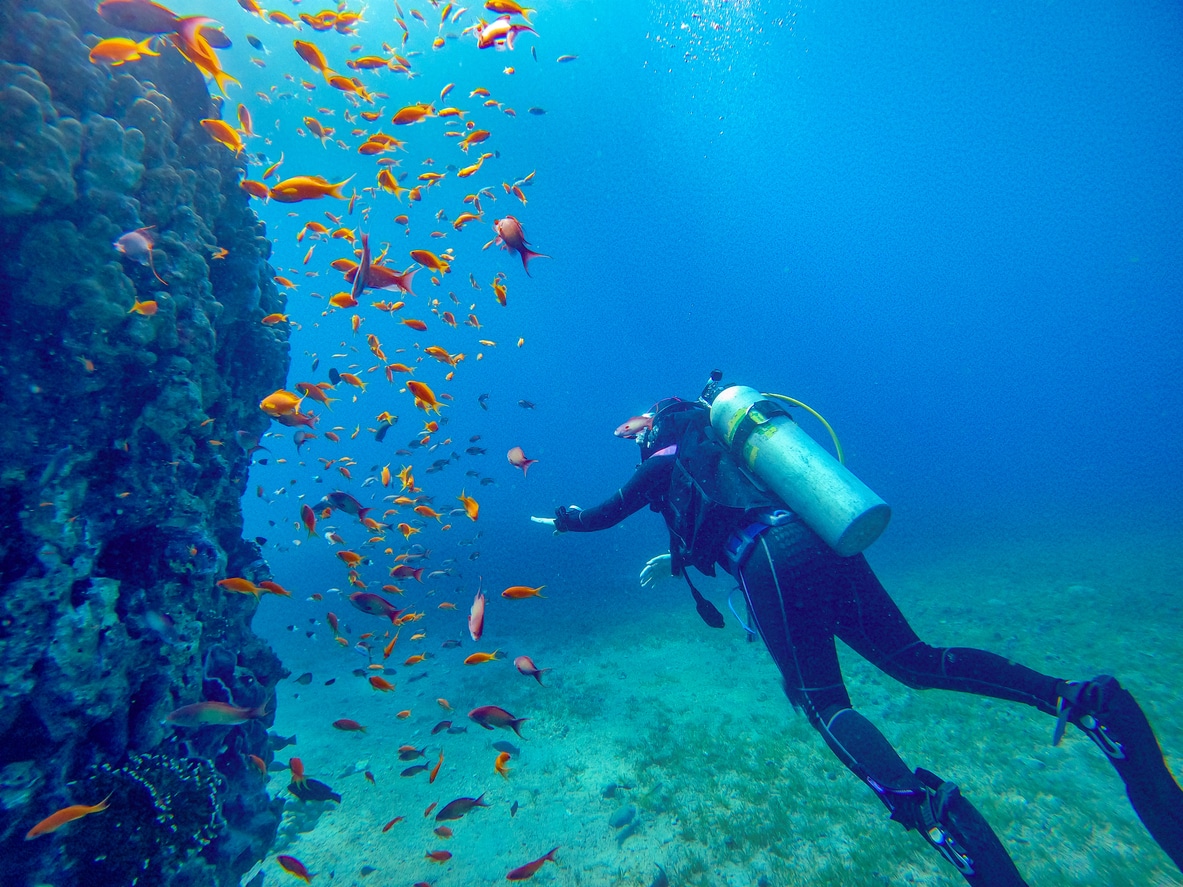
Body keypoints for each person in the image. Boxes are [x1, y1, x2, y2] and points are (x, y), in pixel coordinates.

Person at [531, 373, 1183, 886]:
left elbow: (601, 514)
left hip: (771, 561)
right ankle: (1078, 698)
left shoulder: (664, 463)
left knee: (823, 702)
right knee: (915, 658)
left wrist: (561, 519)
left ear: (659, 434)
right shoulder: (737, 454)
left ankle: (930, 811)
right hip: (821, 542)